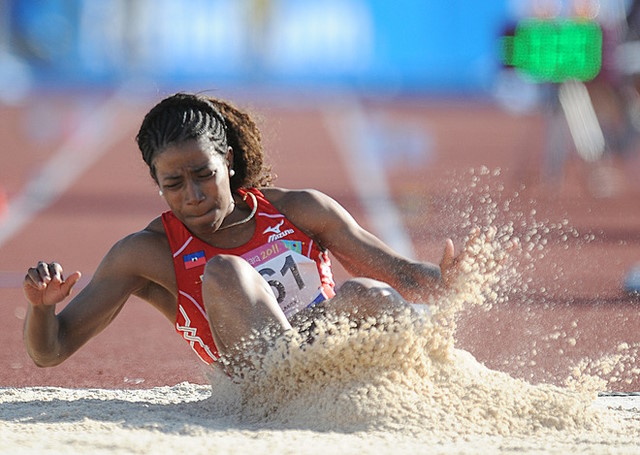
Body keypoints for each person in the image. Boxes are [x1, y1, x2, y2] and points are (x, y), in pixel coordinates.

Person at [23, 92, 469, 374]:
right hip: (260, 386)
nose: (193, 195)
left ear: (228, 162)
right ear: (157, 184)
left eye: (204, 175)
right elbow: (51, 350)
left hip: (327, 357)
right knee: (226, 271)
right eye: (173, 185)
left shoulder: (298, 209)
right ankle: (290, 376)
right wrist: (41, 309)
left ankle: (441, 376)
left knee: (368, 293)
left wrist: (449, 281)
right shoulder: (146, 252)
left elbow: (404, 275)